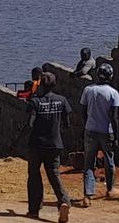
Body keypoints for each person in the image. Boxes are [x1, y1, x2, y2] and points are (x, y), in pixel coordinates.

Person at [26, 72, 72, 222]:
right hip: (54, 144)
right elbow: (67, 123)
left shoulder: (35, 102)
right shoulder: (62, 100)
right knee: (54, 173)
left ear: (40, 85)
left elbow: (30, 124)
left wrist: (18, 140)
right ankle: (63, 201)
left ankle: (34, 210)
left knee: (34, 175)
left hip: (36, 144)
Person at [80, 63, 119, 206]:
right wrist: (116, 135)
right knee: (109, 161)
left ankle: (87, 195)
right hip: (106, 131)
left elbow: (83, 111)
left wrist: (86, 126)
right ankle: (110, 188)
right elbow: (115, 117)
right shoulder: (113, 93)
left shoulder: (88, 90)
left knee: (89, 163)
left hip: (90, 129)